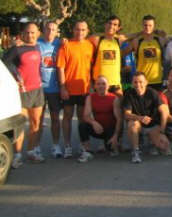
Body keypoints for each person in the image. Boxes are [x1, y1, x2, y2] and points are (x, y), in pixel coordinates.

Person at [3, 22, 45, 167]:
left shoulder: (38, 46)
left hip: (37, 90)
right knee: (20, 125)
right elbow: (3, 64)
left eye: (33, 32)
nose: (30, 35)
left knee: (35, 123)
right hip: (22, 92)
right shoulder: (17, 49)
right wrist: (14, 80)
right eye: (27, 32)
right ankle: (18, 155)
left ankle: (31, 151)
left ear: (38, 33)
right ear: (22, 34)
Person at [56, 20, 95, 159]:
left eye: (83, 30)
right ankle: (67, 145)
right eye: (78, 29)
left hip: (84, 89)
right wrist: (63, 87)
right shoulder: (66, 46)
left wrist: (91, 86)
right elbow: (60, 68)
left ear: (87, 31)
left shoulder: (90, 46)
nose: (80, 32)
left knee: (82, 118)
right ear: (73, 30)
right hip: (69, 89)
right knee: (67, 116)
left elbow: (90, 67)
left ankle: (82, 144)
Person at [122, 72, 171, 163]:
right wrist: (140, 118)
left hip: (152, 126)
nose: (138, 85)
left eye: (141, 82)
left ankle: (152, 142)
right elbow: (126, 114)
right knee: (132, 124)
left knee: (165, 147)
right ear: (132, 83)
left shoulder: (152, 93)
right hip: (138, 124)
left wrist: (162, 131)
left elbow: (164, 111)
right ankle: (136, 151)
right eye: (135, 82)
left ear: (146, 82)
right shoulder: (129, 93)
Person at [77, 76, 122, 162]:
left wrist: (116, 135)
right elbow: (86, 116)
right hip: (98, 128)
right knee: (82, 125)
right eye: (98, 84)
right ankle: (87, 151)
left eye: (104, 84)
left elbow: (119, 119)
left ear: (108, 86)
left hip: (111, 129)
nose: (101, 86)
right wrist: (93, 123)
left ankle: (115, 144)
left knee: (111, 149)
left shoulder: (114, 98)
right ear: (95, 86)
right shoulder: (90, 98)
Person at [37, 20, 63, 158]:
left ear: (57, 31)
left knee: (55, 118)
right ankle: (36, 146)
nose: (50, 32)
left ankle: (55, 145)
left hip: (54, 88)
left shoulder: (60, 43)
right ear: (43, 30)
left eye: (53, 29)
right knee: (38, 120)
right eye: (48, 29)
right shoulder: (37, 43)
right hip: (39, 88)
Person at [89, 15, 127, 95]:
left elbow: (134, 36)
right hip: (99, 83)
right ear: (105, 24)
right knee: (98, 107)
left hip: (115, 83)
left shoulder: (119, 40)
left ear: (118, 28)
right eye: (109, 23)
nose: (111, 26)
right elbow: (81, 39)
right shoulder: (97, 39)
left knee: (120, 105)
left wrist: (143, 32)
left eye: (115, 25)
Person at [129, 15, 168, 92]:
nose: (147, 28)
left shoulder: (160, 40)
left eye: (150, 25)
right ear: (142, 26)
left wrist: (160, 32)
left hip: (157, 80)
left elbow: (168, 37)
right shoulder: (137, 41)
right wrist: (138, 33)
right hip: (141, 81)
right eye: (145, 25)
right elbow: (123, 39)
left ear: (154, 26)